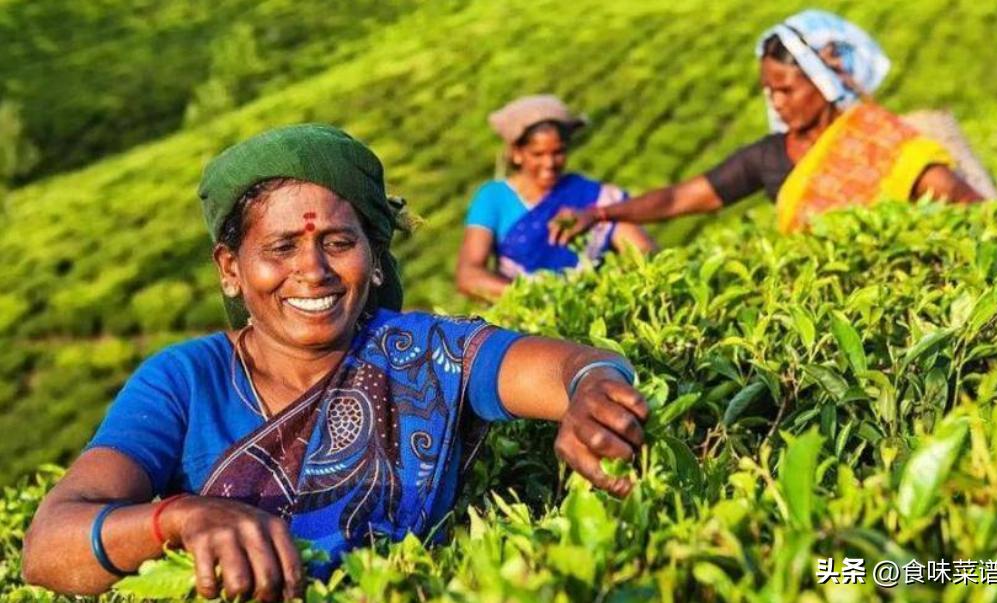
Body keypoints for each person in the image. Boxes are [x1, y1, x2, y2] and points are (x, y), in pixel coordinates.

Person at [21, 124, 649, 602]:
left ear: (375, 260)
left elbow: (572, 367)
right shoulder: (184, 381)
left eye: (339, 243)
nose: (313, 271)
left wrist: (593, 391)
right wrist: (178, 519)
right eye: (281, 247)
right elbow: (50, 545)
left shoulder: (426, 352)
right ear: (231, 269)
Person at [548, 10, 983, 244]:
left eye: (787, 89)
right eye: (768, 90)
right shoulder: (770, 155)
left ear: (824, 81)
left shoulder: (877, 141)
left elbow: (958, 196)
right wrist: (600, 213)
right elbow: (683, 196)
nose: (775, 102)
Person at [457, 95, 654, 301]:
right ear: (517, 153)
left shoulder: (596, 198)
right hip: (522, 320)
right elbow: (468, 276)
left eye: (558, 152)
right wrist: (543, 297)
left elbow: (645, 256)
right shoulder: (493, 198)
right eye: (538, 154)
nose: (550, 163)